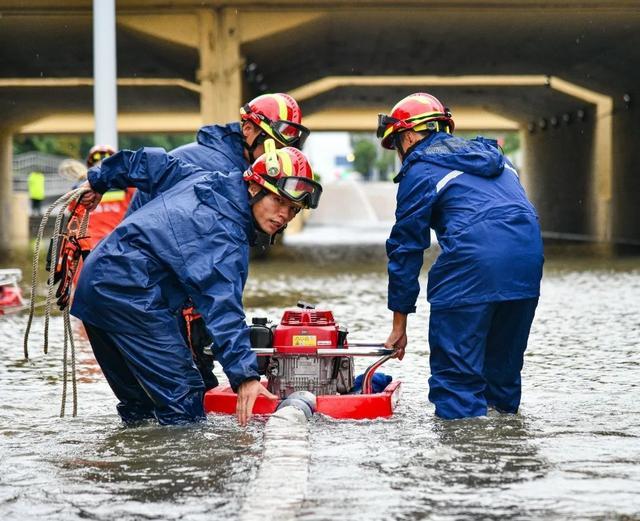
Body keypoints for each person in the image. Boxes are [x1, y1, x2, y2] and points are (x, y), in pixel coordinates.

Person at [70, 142, 322, 427]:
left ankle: (135, 465)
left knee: (140, 404)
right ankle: (184, 471)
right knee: (185, 400)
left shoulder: (204, 179)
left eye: (293, 209)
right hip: (132, 292)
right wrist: (246, 378)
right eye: (278, 201)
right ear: (254, 188)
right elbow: (224, 310)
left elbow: (152, 163)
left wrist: (99, 178)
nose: (284, 216)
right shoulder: (225, 235)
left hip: (95, 287)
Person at [125, 93, 310, 391]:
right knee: (188, 397)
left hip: (157, 289)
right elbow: (215, 276)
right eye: (272, 148)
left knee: (173, 397)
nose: (274, 162)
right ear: (247, 130)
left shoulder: (230, 166)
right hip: (154, 295)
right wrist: (244, 374)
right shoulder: (221, 170)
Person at [378, 92, 544, 420]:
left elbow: (406, 249)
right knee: (502, 377)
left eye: (397, 144)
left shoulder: (421, 169)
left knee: (456, 382)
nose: (400, 154)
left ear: (408, 135)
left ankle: (463, 463)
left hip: (473, 265)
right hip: (526, 265)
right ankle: (505, 456)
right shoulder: (497, 158)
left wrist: (399, 325)